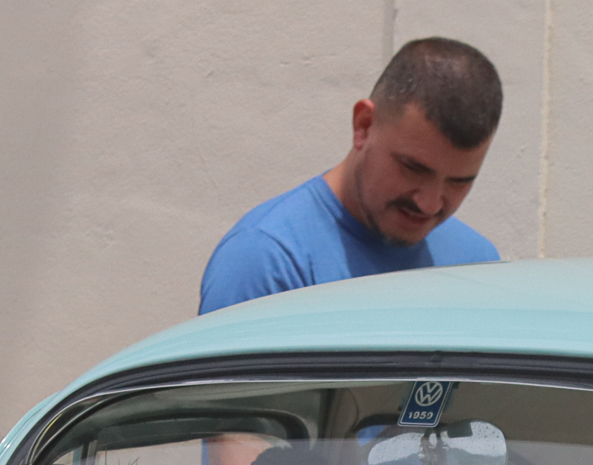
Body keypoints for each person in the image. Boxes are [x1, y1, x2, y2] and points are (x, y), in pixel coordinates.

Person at [197, 37, 504, 312]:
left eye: (459, 183)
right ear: (364, 124)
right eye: (413, 168)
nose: (430, 204)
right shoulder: (266, 263)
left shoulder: (478, 267)